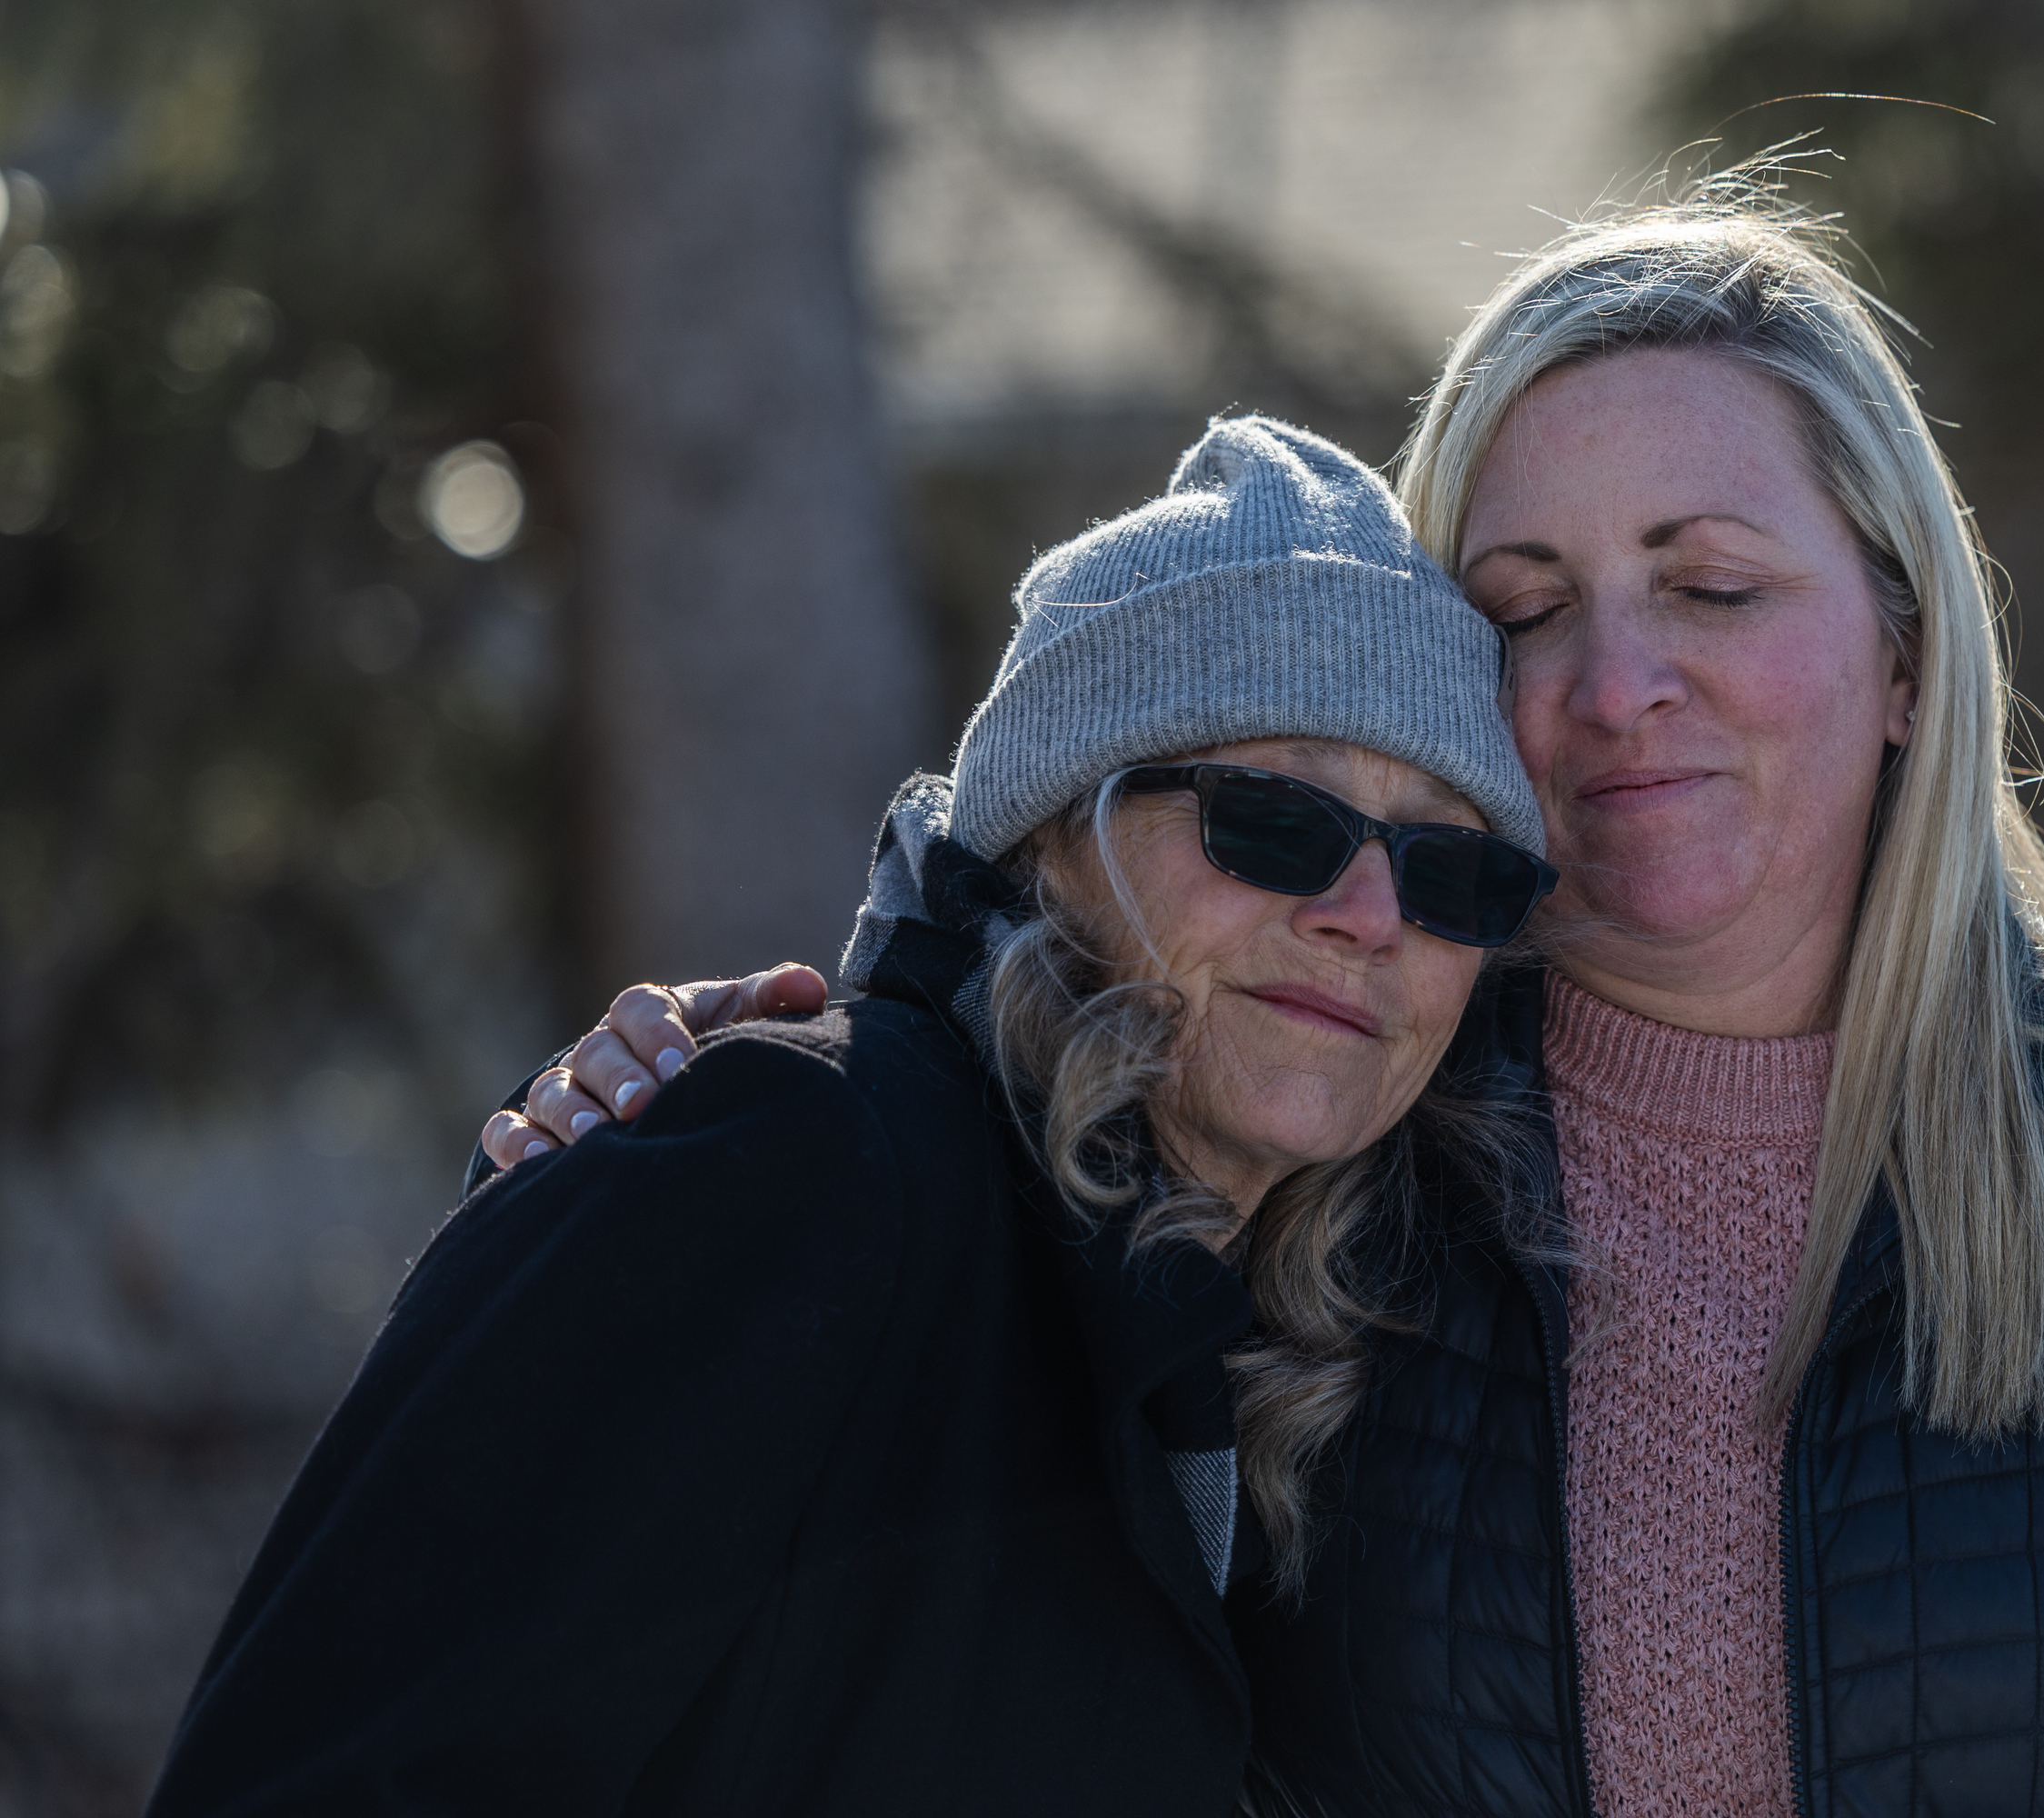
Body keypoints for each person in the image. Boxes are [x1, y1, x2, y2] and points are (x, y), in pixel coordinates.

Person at [481, 187, 2044, 1813]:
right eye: (1524, 605)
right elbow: (987, 1088)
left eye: (1713, 585)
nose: (1615, 683)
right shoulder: (1311, 1161)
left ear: (1908, 657)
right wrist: (740, 1073)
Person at [146, 418, 1561, 1816]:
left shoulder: (1250, 1369)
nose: (1367, 917)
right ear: (1054, 836)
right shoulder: (796, 1171)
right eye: (1274, 822)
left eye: (1449, 871)